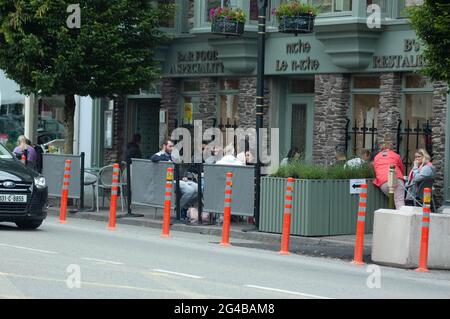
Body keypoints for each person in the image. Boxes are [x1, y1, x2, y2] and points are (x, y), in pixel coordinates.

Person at [150, 140, 198, 220]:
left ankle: (182, 208)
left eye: (173, 146)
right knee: (190, 191)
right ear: (164, 146)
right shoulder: (160, 155)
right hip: (169, 181)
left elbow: (177, 169)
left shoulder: (172, 156)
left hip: (178, 179)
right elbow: (153, 158)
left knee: (198, 188)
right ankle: (179, 210)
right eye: (170, 146)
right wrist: (166, 158)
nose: (172, 148)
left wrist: (182, 177)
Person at [373, 141, 405, 210]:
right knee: (399, 201)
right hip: (396, 178)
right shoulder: (396, 155)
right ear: (391, 147)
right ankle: (401, 220)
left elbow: (375, 170)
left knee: (393, 200)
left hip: (383, 181)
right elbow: (402, 168)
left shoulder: (376, 157)